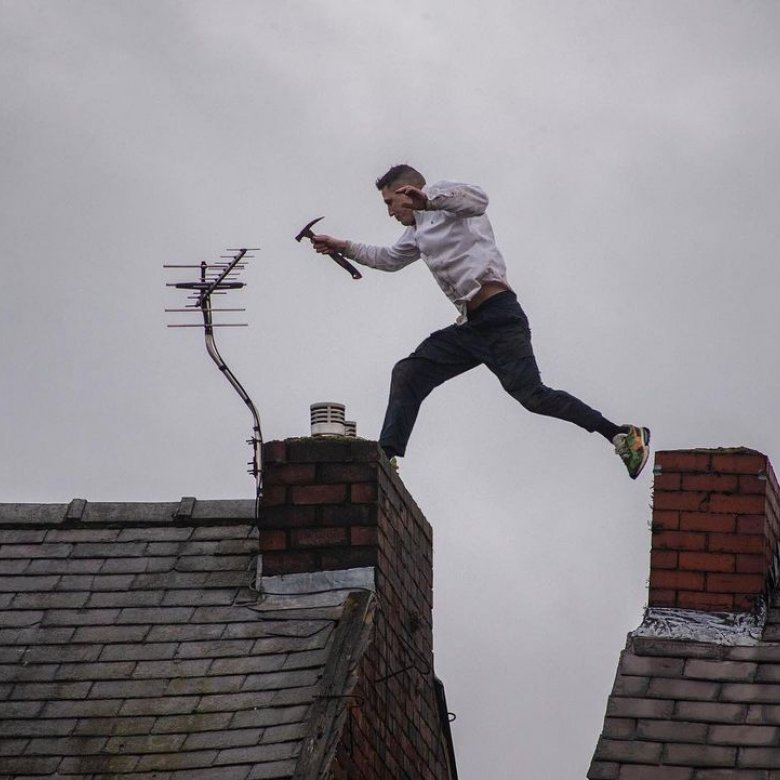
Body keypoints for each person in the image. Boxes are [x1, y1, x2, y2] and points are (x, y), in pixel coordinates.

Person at [312, 164, 650, 479]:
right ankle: (385, 460)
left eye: (391, 202)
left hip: (500, 315)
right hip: (470, 326)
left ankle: (622, 435)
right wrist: (343, 246)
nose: (390, 212)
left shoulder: (444, 199)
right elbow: (387, 259)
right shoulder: (417, 234)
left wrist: (428, 200)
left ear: (406, 191)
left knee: (533, 396)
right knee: (408, 372)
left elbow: (478, 200)